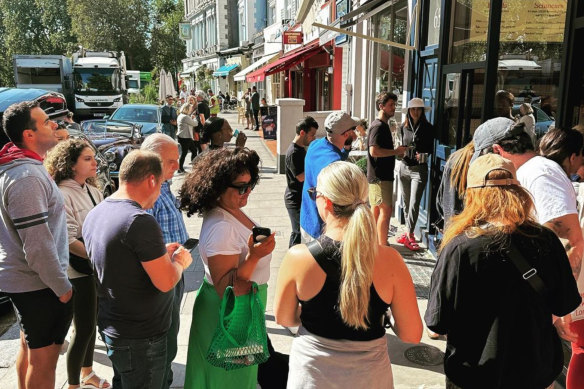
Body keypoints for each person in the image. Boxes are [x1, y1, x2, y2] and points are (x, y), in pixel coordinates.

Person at [425, 153, 581, 388]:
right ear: (518, 192)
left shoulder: (461, 247)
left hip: (476, 375)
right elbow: (564, 303)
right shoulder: (546, 240)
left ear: (472, 196)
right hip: (533, 372)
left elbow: (437, 322)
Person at [275, 161, 422, 388]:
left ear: (327, 201)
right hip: (370, 378)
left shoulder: (299, 258)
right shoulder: (390, 260)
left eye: (315, 193)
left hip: (313, 376)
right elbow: (411, 334)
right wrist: (387, 315)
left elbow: (285, 318)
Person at [83, 150, 193, 389]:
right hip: (143, 337)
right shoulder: (139, 220)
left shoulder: (97, 212)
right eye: (161, 182)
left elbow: (119, 257)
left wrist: (158, 252)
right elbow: (166, 282)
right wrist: (179, 262)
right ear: (152, 180)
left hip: (116, 328)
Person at [180, 147, 277, 389]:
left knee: (234, 377)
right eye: (242, 187)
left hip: (238, 309)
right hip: (229, 312)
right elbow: (226, 288)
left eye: (251, 184)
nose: (248, 192)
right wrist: (255, 257)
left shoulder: (228, 210)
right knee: (228, 379)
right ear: (218, 187)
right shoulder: (221, 227)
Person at [0, 101, 73, 389]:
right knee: (44, 361)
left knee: (30, 351)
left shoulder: (20, 167)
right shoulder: (26, 177)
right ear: (28, 135)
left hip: (29, 283)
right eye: (46, 122)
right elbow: (38, 247)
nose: (54, 124)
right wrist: (63, 289)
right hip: (39, 285)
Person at [44, 139, 109, 389]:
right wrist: (99, 257)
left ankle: (88, 373)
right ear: (71, 164)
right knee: (82, 328)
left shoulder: (93, 189)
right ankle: (73, 384)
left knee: (90, 324)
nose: (95, 162)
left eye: (93, 157)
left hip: (93, 268)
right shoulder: (61, 193)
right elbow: (69, 239)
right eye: (87, 159)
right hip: (77, 270)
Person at [141, 134, 190, 389]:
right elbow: (144, 243)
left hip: (175, 265)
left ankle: (164, 378)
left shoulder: (165, 185)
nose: (176, 166)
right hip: (164, 271)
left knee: (172, 330)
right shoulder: (149, 190)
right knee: (165, 335)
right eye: (171, 161)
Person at [300, 111, 358, 241]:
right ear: (347, 134)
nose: (355, 133)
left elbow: (335, 153)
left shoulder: (315, 145)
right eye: (353, 130)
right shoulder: (333, 163)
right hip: (322, 227)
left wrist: (346, 146)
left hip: (307, 218)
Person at [367, 92, 407, 246]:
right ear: (381, 106)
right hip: (380, 177)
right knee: (386, 211)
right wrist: (396, 151)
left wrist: (395, 154)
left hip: (378, 176)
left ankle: (375, 244)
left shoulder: (381, 125)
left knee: (377, 211)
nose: (394, 108)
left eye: (394, 105)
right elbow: (374, 151)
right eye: (391, 105)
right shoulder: (378, 126)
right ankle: (382, 246)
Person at [396, 98, 434, 251]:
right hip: (404, 167)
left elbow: (432, 149)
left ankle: (410, 234)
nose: (415, 112)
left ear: (422, 111)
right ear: (409, 112)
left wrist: (424, 155)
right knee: (406, 202)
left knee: (414, 203)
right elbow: (400, 144)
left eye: (418, 109)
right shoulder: (403, 127)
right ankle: (407, 233)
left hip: (419, 169)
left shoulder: (428, 128)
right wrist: (400, 151)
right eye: (413, 109)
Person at [284, 116, 319, 247]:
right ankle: (292, 260)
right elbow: (300, 176)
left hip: (301, 196)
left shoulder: (300, 149)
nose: (313, 138)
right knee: (297, 231)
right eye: (312, 135)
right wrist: (316, 167)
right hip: (294, 199)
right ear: (302, 133)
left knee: (303, 231)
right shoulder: (294, 152)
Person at [436, 141, 475, 227]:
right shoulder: (480, 164)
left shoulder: (454, 158)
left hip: (451, 225)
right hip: (467, 226)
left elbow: (440, 198)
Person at [176, 103, 199, 173]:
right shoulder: (185, 117)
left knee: (193, 151)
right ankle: (180, 168)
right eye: (190, 109)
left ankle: (191, 166)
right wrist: (194, 117)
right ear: (187, 109)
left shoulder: (181, 115)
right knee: (185, 153)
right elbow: (195, 124)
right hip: (185, 137)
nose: (191, 110)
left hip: (184, 136)